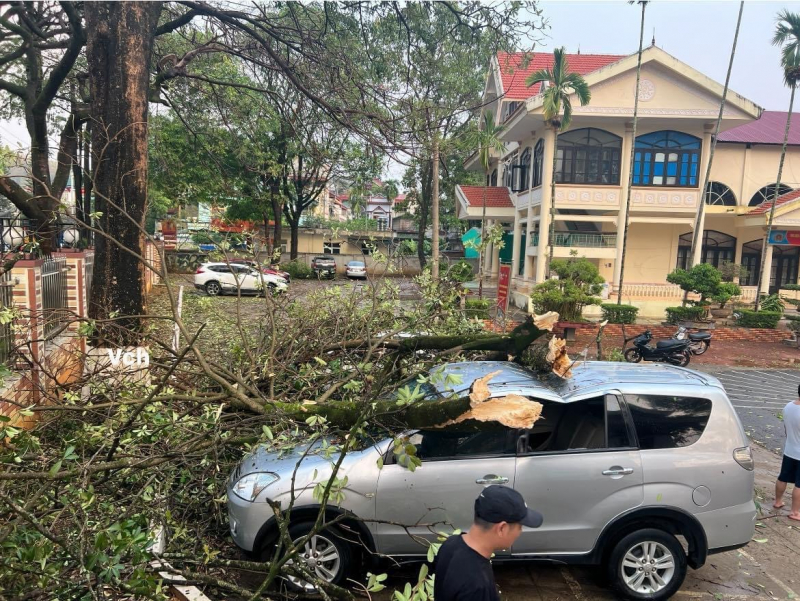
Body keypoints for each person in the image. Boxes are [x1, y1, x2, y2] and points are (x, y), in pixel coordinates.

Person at [433, 486, 543, 601]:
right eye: (520, 526)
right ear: (502, 529)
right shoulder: (477, 587)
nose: (520, 532)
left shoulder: (450, 544)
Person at [774, 384, 800, 521]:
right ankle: (795, 512)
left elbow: (786, 429)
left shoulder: (788, 407)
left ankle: (778, 501)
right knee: (799, 485)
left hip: (789, 450)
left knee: (783, 477)